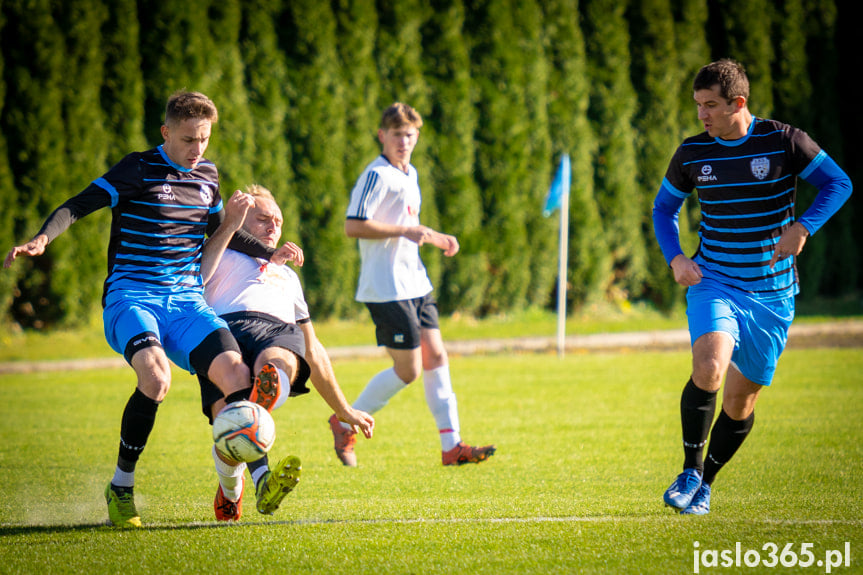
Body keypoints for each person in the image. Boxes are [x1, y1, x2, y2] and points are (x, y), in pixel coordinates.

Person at [3, 91, 299, 528]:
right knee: (156, 378)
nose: (196, 149)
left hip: (185, 303)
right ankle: (121, 487)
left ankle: (261, 480)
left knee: (236, 375)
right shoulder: (137, 168)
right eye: (187, 140)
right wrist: (44, 237)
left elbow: (221, 231)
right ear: (166, 132)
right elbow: (78, 204)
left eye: (204, 139)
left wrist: (267, 253)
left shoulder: (208, 177)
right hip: (132, 298)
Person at [652, 59, 852, 515]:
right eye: (697, 105)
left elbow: (839, 183)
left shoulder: (784, 140)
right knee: (710, 366)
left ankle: (705, 483)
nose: (702, 115)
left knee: (741, 400)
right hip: (714, 280)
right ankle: (688, 468)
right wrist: (677, 257)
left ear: (738, 103)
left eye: (710, 106)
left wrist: (803, 226)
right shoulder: (691, 153)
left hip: (772, 294)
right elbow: (663, 210)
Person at [199, 184, 375, 521]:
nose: (273, 227)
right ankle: (231, 490)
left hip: (274, 332)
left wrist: (344, 409)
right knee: (230, 430)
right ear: (240, 220)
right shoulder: (220, 251)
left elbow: (313, 349)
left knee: (275, 362)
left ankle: (270, 384)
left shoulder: (288, 276)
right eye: (263, 219)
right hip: (221, 334)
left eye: (278, 221)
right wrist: (227, 227)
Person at [332, 102, 495, 467]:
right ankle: (345, 421)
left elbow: (409, 224)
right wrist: (408, 230)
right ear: (382, 136)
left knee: (436, 355)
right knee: (408, 371)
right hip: (387, 288)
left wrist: (437, 238)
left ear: (416, 136)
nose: (403, 141)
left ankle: (452, 446)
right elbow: (353, 225)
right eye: (396, 135)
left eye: (409, 135)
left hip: (415, 282)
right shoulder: (376, 175)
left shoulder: (411, 173)